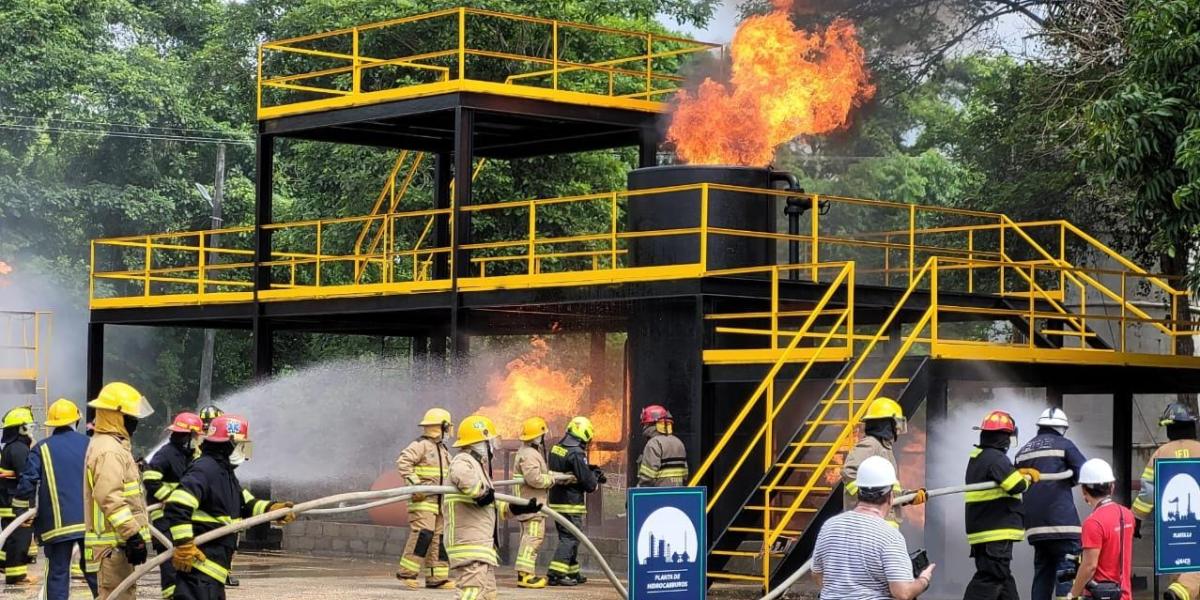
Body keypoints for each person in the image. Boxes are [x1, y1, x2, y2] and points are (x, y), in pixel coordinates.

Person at [165, 414, 295, 599]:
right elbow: (177, 505)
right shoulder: (205, 469)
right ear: (229, 444)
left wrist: (273, 510)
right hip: (199, 569)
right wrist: (184, 545)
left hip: (212, 572)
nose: (244, 451)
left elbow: (247, 503)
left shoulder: (223, 472)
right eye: (242, 445)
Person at [444, 415, 541, 600]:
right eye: (490, 441)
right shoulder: (463, 460)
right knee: (471, 593)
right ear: (481, 441)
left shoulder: (477, 466)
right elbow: (464, 478)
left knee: (488, 594)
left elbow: (490, 506)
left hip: (482, 547)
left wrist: (519, 508)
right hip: (469, 545)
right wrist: (479, 491)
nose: (493, 447)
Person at [812, 455, 935, 600]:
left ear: (858, 492)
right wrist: (923, 580)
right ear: (890, 497)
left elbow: (817, 574)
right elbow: (903, 593)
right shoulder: (889, 536)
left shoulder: (829, 526)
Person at [13, 399, 97, 599]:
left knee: (58, 574)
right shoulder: (90, 445)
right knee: (95, 573)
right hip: (90, 523)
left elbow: (27, 483)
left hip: (56, 527)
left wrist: (23, 513)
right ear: (75, 422)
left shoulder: (41, 449)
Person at [84, 381, 155, 600]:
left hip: (115, 546)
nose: (134, 421)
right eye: (130, 416)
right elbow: (109, 497)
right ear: (116, 415)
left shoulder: (109, 445)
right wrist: (133, 534)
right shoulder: (109, 450)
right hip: (113, 547)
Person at [963, 410, 1038, 600]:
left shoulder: (978, 457)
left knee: (1003, 579)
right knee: (991, 577)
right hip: (996, 531)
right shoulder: (996, 458)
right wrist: (1028, 478)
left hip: (984, 532)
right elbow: (1016, 486)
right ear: (1004, 437)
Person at [1015, 407, 1088, 600]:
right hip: (1063, 525)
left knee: (1042, 575)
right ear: (1062, 428)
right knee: (1067, 576)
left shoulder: (1023, 451)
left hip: (1035, 528)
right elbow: (1085, 472)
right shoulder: (1064, 444)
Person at [1133, 402, 1200, 600]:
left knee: (1177, 568)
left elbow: (1147, 492)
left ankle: (1180, 590)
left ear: (1170, 427)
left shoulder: (1161, 453)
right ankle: (1182, 591)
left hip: (1170, 531)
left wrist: (1136, 518)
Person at [144, 411, 204, 599]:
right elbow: (150, 479)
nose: (196, 440)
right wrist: (170, 498)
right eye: (194, 436)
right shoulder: (166, 454)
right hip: (164, 519)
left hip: (181, 518)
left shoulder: (190, 455)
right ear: (186, 436)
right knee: (170, 563)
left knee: (184, 560)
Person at [394, 407, 454, 589]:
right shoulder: (421, 445)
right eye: (448, 427)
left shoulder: (443, 450)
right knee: (423, 534)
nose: (450, 431)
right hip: (423, 501)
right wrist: (415, 484)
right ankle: (407, 574)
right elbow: (403, 462)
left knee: (439, 539)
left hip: (440, 503)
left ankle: (437, 577)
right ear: (442, 426)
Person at [842, 397, 926, 526]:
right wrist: (869, 500)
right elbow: (850, 471)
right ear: (887, 424)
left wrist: (909, 496)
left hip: (882, 525)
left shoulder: (884, 448)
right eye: (896, 424)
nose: (898, 429)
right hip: (870, 525)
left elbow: (886, 490)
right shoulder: (871, 445)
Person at [1066, 458, 1133, 600]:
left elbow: (1089, 566)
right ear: (1112, 487)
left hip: (1098, 595)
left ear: (1084, 490)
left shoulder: (1093, 523)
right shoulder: (1127, 515)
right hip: (1123, 594)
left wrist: (1072, 594)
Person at [547, 416, 601, 586]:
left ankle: (572, 571)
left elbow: (568, 469)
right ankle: (556, 573)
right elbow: (587, 482)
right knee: (570, 537)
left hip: (556, 500)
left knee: (570, 536)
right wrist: (595, 478)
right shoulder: (577, 452)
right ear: (584, 434)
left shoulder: (556, 448)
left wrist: (587, 469)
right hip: (570, 502)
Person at [513, 417, 556, 588]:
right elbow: (534, 479)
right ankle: (525, 575)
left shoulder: (527, 452)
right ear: (537, 436)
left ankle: (525, 573)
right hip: (532, 505)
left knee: (530, 537)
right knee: (532, 538)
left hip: (529, 503)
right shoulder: (530, 454)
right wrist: (550, 480)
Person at [0, 405, 36, 584]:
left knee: (11, 536)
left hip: (9, 501)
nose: (31, 431)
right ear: (22, 428)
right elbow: (27, 475)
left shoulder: (11, 447)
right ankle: (16, 575)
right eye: (30, 427)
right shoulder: (19, 449)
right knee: (20, 537)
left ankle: (4, 564)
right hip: (16, 504)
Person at [636, 405, 688, 487]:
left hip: (658, 495)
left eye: (645, 424)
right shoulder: (679, 442)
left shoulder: (654, 443)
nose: (644, 427)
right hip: (678, 493)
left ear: (650, 424)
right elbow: (685, 475)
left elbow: (647, 478)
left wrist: (639, 490)